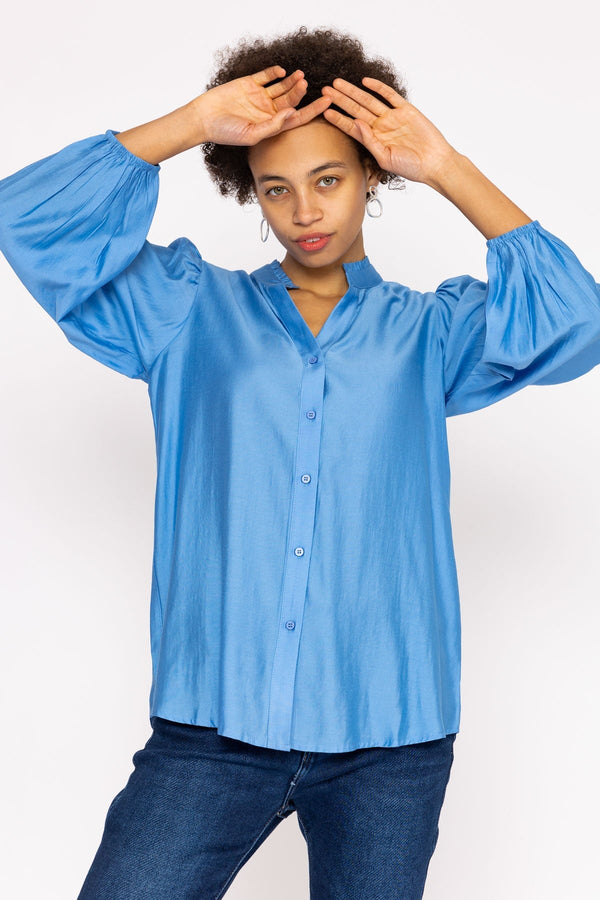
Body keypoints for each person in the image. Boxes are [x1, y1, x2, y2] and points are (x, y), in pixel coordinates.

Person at [1, 24, 599, 900]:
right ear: (250, 190)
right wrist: (192, 122)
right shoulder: (184, 309)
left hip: (391, 739)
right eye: (276, 188)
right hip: (213, 731)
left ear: (371, 178)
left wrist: (447, 167)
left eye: (328, 180)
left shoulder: (430, 332)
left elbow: (578, 322)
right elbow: (28, 223)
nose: (305, 212)